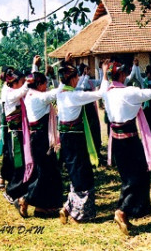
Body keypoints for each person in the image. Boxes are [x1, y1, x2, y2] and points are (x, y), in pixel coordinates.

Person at [101, 54, 151, 235]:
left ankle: (133, 210)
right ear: (123, 76)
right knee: (135, 178)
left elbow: (103, 84)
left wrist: (104, 73)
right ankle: (122, 210)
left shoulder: (106, 92)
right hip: (129, 141)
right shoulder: (129, 92)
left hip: (116, 141)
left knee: (130, 177)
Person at [56, 57, 106, 224]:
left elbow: (62, 82)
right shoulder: (75, 96)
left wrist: (66, 63)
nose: (78, 80)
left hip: (65, 136)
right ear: (72, 79)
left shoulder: (60, 91)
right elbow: (100, 93)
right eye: (76, 77)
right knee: (82, 172)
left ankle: (68, 207)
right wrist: (104, 74)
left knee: (74, 170)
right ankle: (78, 213)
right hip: (75, 137)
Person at [14, 71, 64, 218]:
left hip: (38, 137)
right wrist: (64, 73)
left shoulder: (29, 94)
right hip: (42, 139)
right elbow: (58, 92)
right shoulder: (39, 97)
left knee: (48, 172)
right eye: (45, 84)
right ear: (40, 84)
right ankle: (26, 198)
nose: (47, 86)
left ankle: (43, 208)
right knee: (45, 173)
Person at [1, 68, 31, 203]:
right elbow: (24, 89)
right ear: (15, 83)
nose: (24, 83)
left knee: (23, 162)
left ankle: (21, 190)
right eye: (22, 81)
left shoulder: (14, 92)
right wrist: (33, 71)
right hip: (15, 133)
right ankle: (12, 192)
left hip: (21, 132)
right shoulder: (10, 94)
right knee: (19, 162)